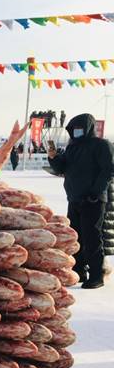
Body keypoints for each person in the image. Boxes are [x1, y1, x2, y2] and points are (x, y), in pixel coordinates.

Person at [48, 113, 114, 288]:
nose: (76, 132)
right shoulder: (72, 148)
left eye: (79, 129)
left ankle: (96, 275)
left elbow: (107, 171)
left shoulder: (101, 145)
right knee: (76, 237)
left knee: (92, 237)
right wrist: (54, 157)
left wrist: (96, 192)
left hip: (93, 200)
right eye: (74, 129)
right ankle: (79, 271)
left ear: (87, 129)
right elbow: (62, 167)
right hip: (75, 198)